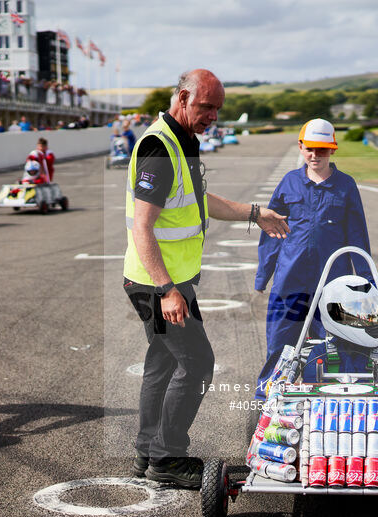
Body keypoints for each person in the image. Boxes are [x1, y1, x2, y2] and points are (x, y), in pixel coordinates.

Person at [123, 68, 289, 488]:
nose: (213, 115)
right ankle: (168, 457)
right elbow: (143, 227)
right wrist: (167, 291)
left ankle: (148, 453)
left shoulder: (184, 142)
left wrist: (255, 213)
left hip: (169, 281)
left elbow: (200, 199)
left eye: (217, 108)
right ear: (182, 98)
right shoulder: (159, 149)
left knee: (162, 363)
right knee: (198, 363)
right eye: (205, 106)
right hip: (158, 284)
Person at [253, 118, 373, 401]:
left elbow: (357, 237)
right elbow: (272, 232)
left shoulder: (346, 186)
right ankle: (269, 398)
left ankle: (335, 399)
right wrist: (263, 275)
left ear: (333, 150)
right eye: (310, 149)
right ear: (301, 147)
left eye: (322, 149)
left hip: (333, 284)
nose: (315, 155)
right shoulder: (289, 183)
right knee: (281, 343)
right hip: (290, 281)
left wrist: (367, 281)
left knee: (336, 343)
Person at [300, 275, 378, 384]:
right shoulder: (319, 354)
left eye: (371, 310)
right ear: (335, 314)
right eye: (358, 311)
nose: (368, 318)